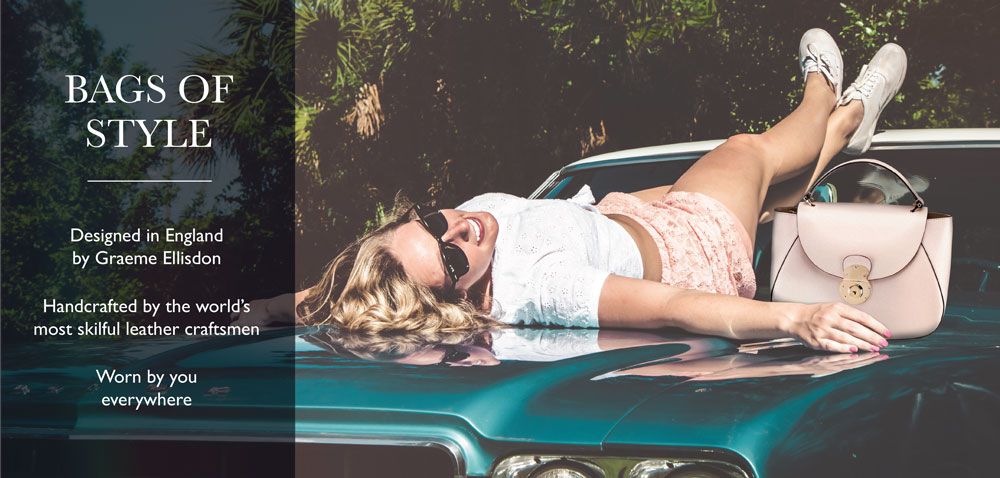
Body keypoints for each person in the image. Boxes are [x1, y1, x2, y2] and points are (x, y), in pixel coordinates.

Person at [240, 29, 907, 354]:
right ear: (457, 298)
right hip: (691, 252)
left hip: (627, 217)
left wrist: (263, 308)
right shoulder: (538, 286)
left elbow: (328, 295)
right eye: (448, 260)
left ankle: (849, 127)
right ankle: (827, 94)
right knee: (748, 153)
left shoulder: (463, 230)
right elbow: (675, 306)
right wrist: (796, 318)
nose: (458, 230)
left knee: (772, 195)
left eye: (430, 220)